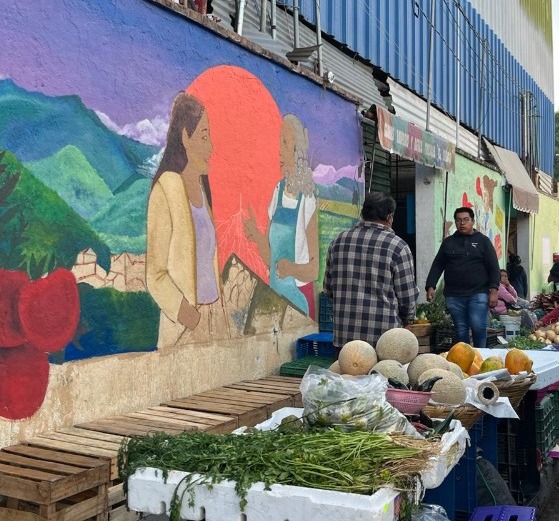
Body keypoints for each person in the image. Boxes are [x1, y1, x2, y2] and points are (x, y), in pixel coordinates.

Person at [146, 92, 231, 347]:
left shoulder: (204, 189)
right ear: (185, 137)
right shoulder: (167, 188)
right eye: (204, 137)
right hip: (182, 331)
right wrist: (190, 318)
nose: (211, 147)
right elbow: (155, 274)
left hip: (212, 323)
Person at [245, 114, 319, 316]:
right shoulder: (277, 191)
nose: (280, 150)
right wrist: (257, 237)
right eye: (280, 142)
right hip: (275, 296)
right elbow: (271, 257)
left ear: (297, 152)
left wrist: (291, 269)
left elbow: (314, 269)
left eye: (285, 143)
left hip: (298, 299)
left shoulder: (307, 199)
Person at [323, 192, 418, 349]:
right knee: (384, 374)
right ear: (389, 217)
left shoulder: (338, 242)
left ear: (362, 214)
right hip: (384, 339)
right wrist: (407, 321)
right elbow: (407, 297)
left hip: (345, 338)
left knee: (347, 373)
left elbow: (328, 290)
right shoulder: (398, 247)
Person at [425, 207, 500, 347]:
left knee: (478, 326)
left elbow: (494, 268)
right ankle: (465, 362)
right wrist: (431, 285)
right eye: (458, 220)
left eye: (466, 220)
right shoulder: (448, 243)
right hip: (454, 295)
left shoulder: (483, 242)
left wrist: (494, 291)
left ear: (472, 221)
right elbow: (437, 265)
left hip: (478, 293)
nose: (462, 223)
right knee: (460, 330)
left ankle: (480, 356)